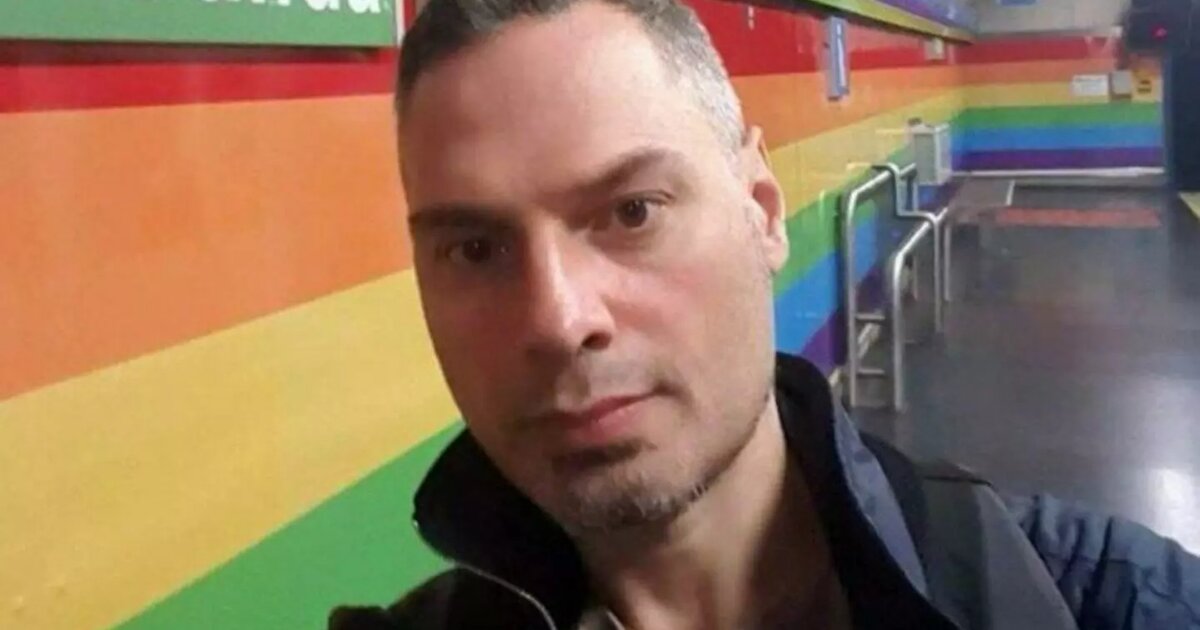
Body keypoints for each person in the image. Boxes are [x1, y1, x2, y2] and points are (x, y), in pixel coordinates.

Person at [330, 0, 1200, 627]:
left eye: (632, 212)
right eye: (474, 250)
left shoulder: (1096, 598)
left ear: (762, 210)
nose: (558, 320)